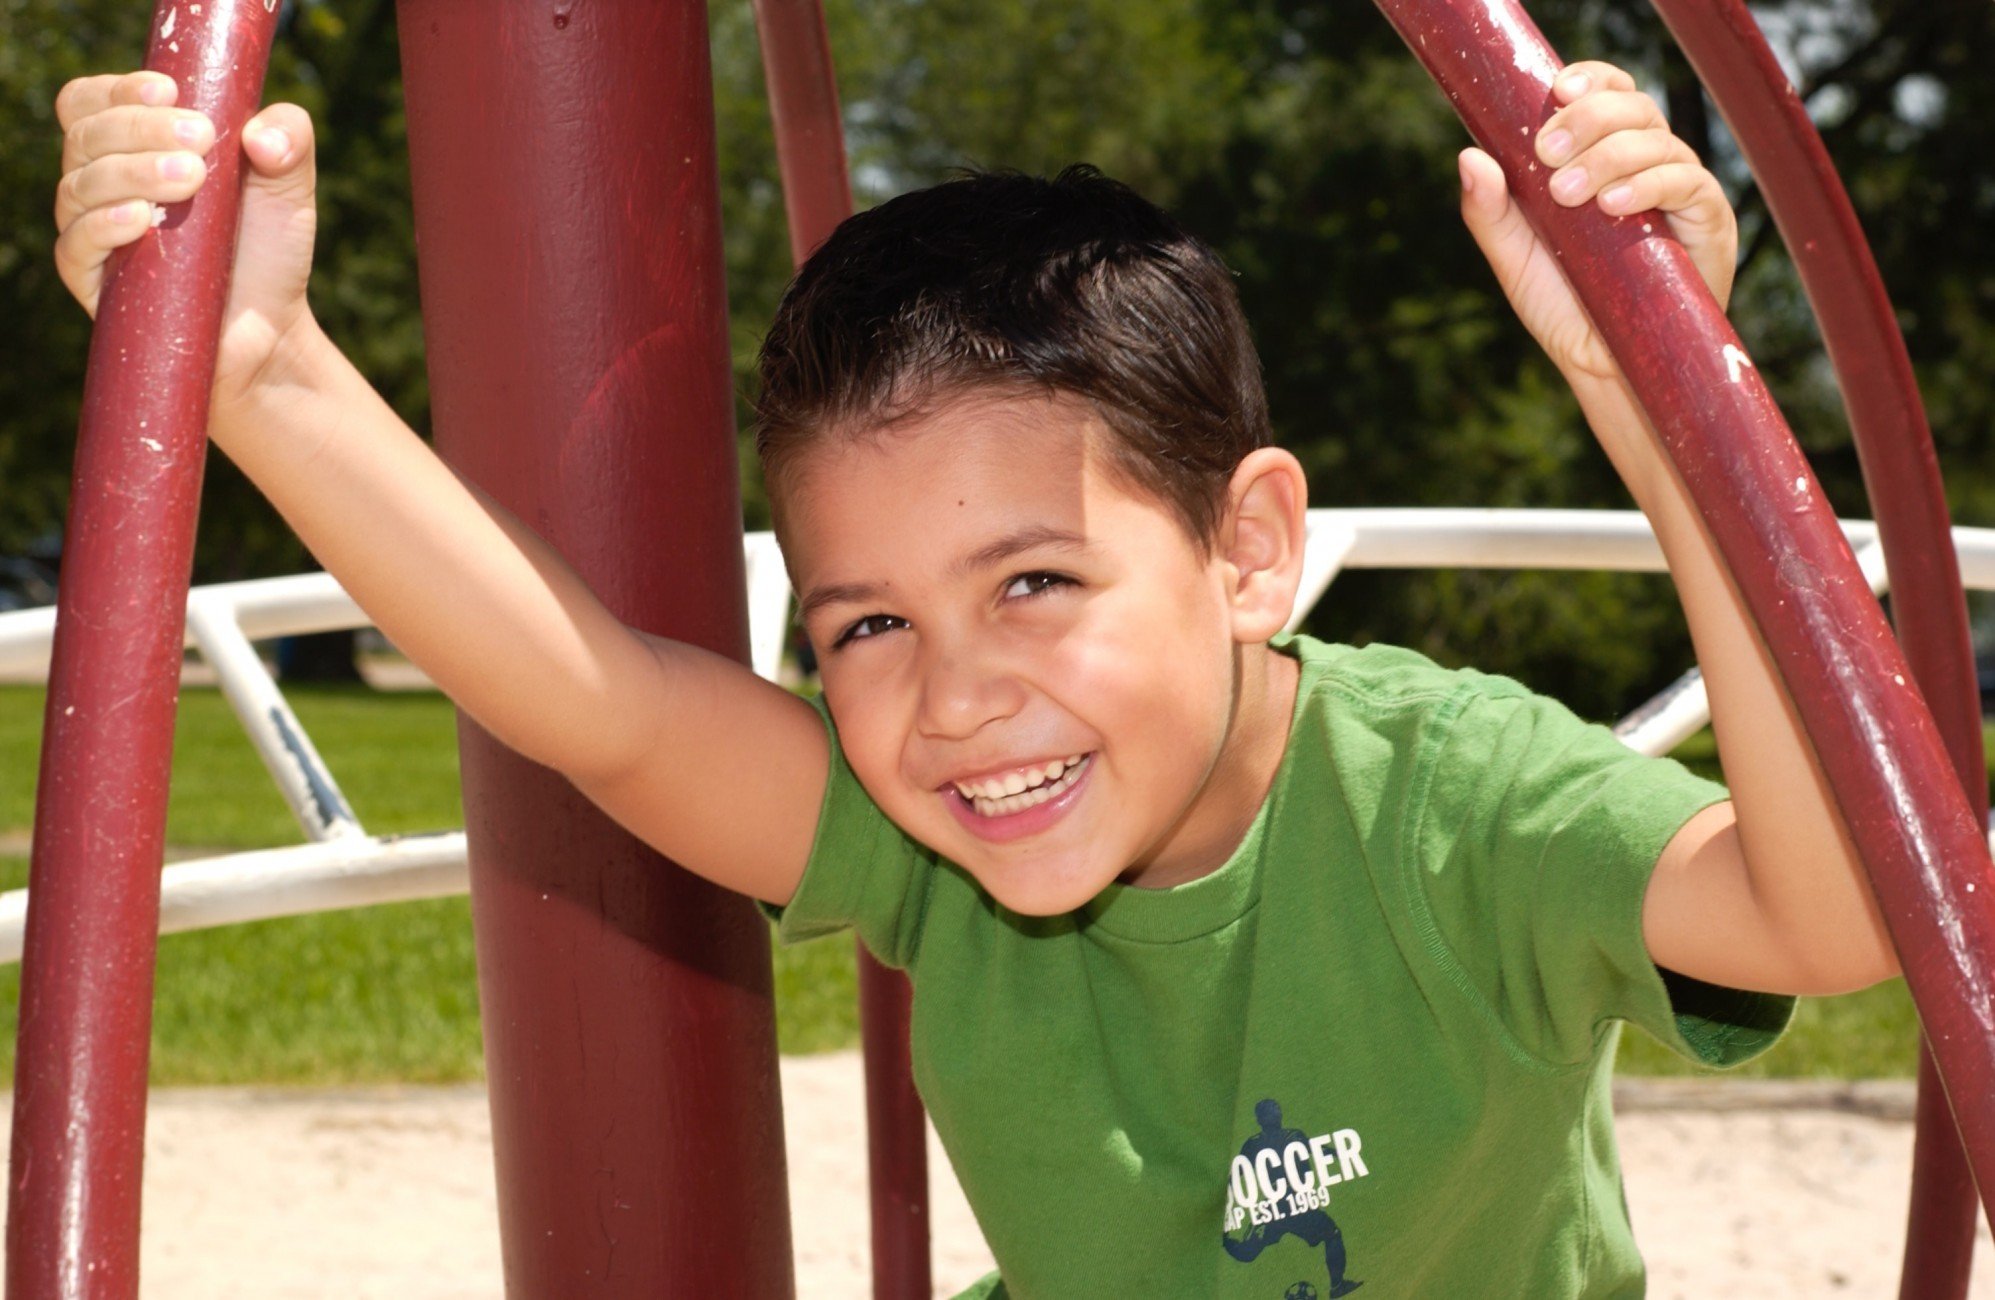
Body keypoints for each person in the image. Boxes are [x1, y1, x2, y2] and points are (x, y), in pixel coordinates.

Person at [52, 59, 1896, 1296]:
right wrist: (261, 376)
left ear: (1250, 549)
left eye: (1032, 581)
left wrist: (1665, 412)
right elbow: (597, 702)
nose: (952, 701)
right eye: (868, 624)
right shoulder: (925, 829)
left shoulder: (1452, 806)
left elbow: (1827, 921)